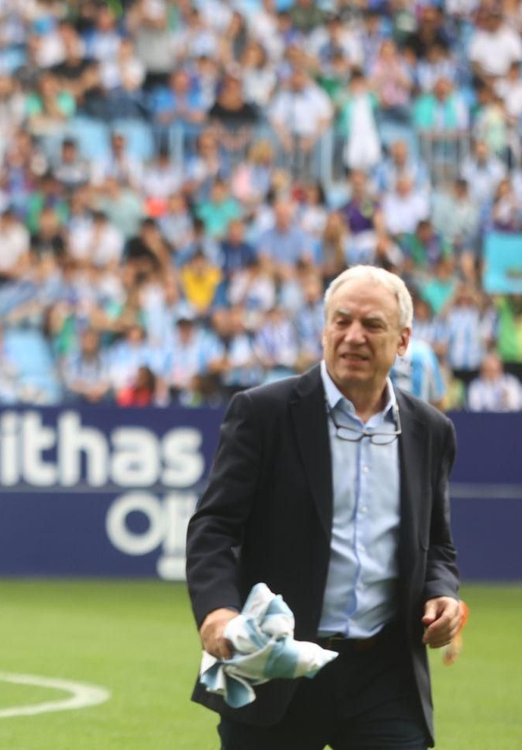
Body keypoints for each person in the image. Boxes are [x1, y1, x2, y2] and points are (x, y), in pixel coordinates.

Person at [187, 265, 462, 748]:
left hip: (387, 675)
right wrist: (216, 611)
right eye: (342, 321)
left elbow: (435, 543)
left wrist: (442, 593)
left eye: (372, 325)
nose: (353, 336)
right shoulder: (263, 413)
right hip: (276, 666)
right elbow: (213, 528)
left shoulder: (430, 431)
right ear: (324, 330)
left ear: (403, 342)